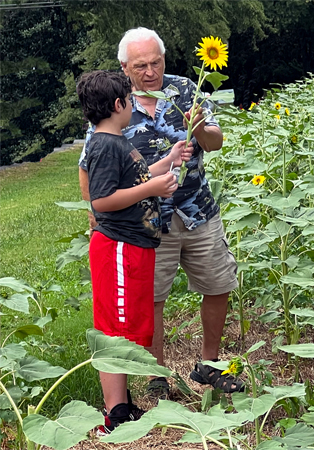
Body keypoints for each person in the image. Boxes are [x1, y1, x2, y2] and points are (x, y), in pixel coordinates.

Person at [78, 27, 243, 395]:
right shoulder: (113, 103)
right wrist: (96, 216)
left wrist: (199, 128)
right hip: (147, 224)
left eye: (156, 62)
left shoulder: (186, 88)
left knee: (218, 284)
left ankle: (209, 365)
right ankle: (159, 375)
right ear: (124, 67)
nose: (150, 71)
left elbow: (215, 143)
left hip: (197, 209)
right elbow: (88, 163)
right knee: (152, 299)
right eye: (141, 65)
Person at [76, 70, 190, 434]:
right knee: (114, 331)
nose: (133, 105)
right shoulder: (105, 145)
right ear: (118, 105)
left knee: (128, 328)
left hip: (134, 248)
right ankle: (114, 416)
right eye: (130, 99)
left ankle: (122, 404)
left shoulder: (117, 141)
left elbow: (137, 178)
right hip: (118, 249)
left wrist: (169, 160)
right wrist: (152, 188)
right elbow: (103, 201)